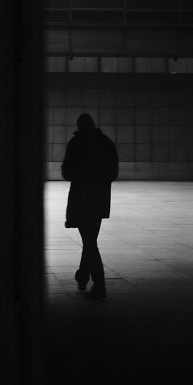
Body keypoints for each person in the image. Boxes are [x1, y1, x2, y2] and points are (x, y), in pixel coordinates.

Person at [61, 113, 119, 300]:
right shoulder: (105, 142)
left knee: (89, 241)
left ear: (79, 126)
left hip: (81, 198)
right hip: (99, 199)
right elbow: (113, 172)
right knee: (90, 238)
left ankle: (99, 284)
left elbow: (66, 172)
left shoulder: (76, 144)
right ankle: (83, 275)